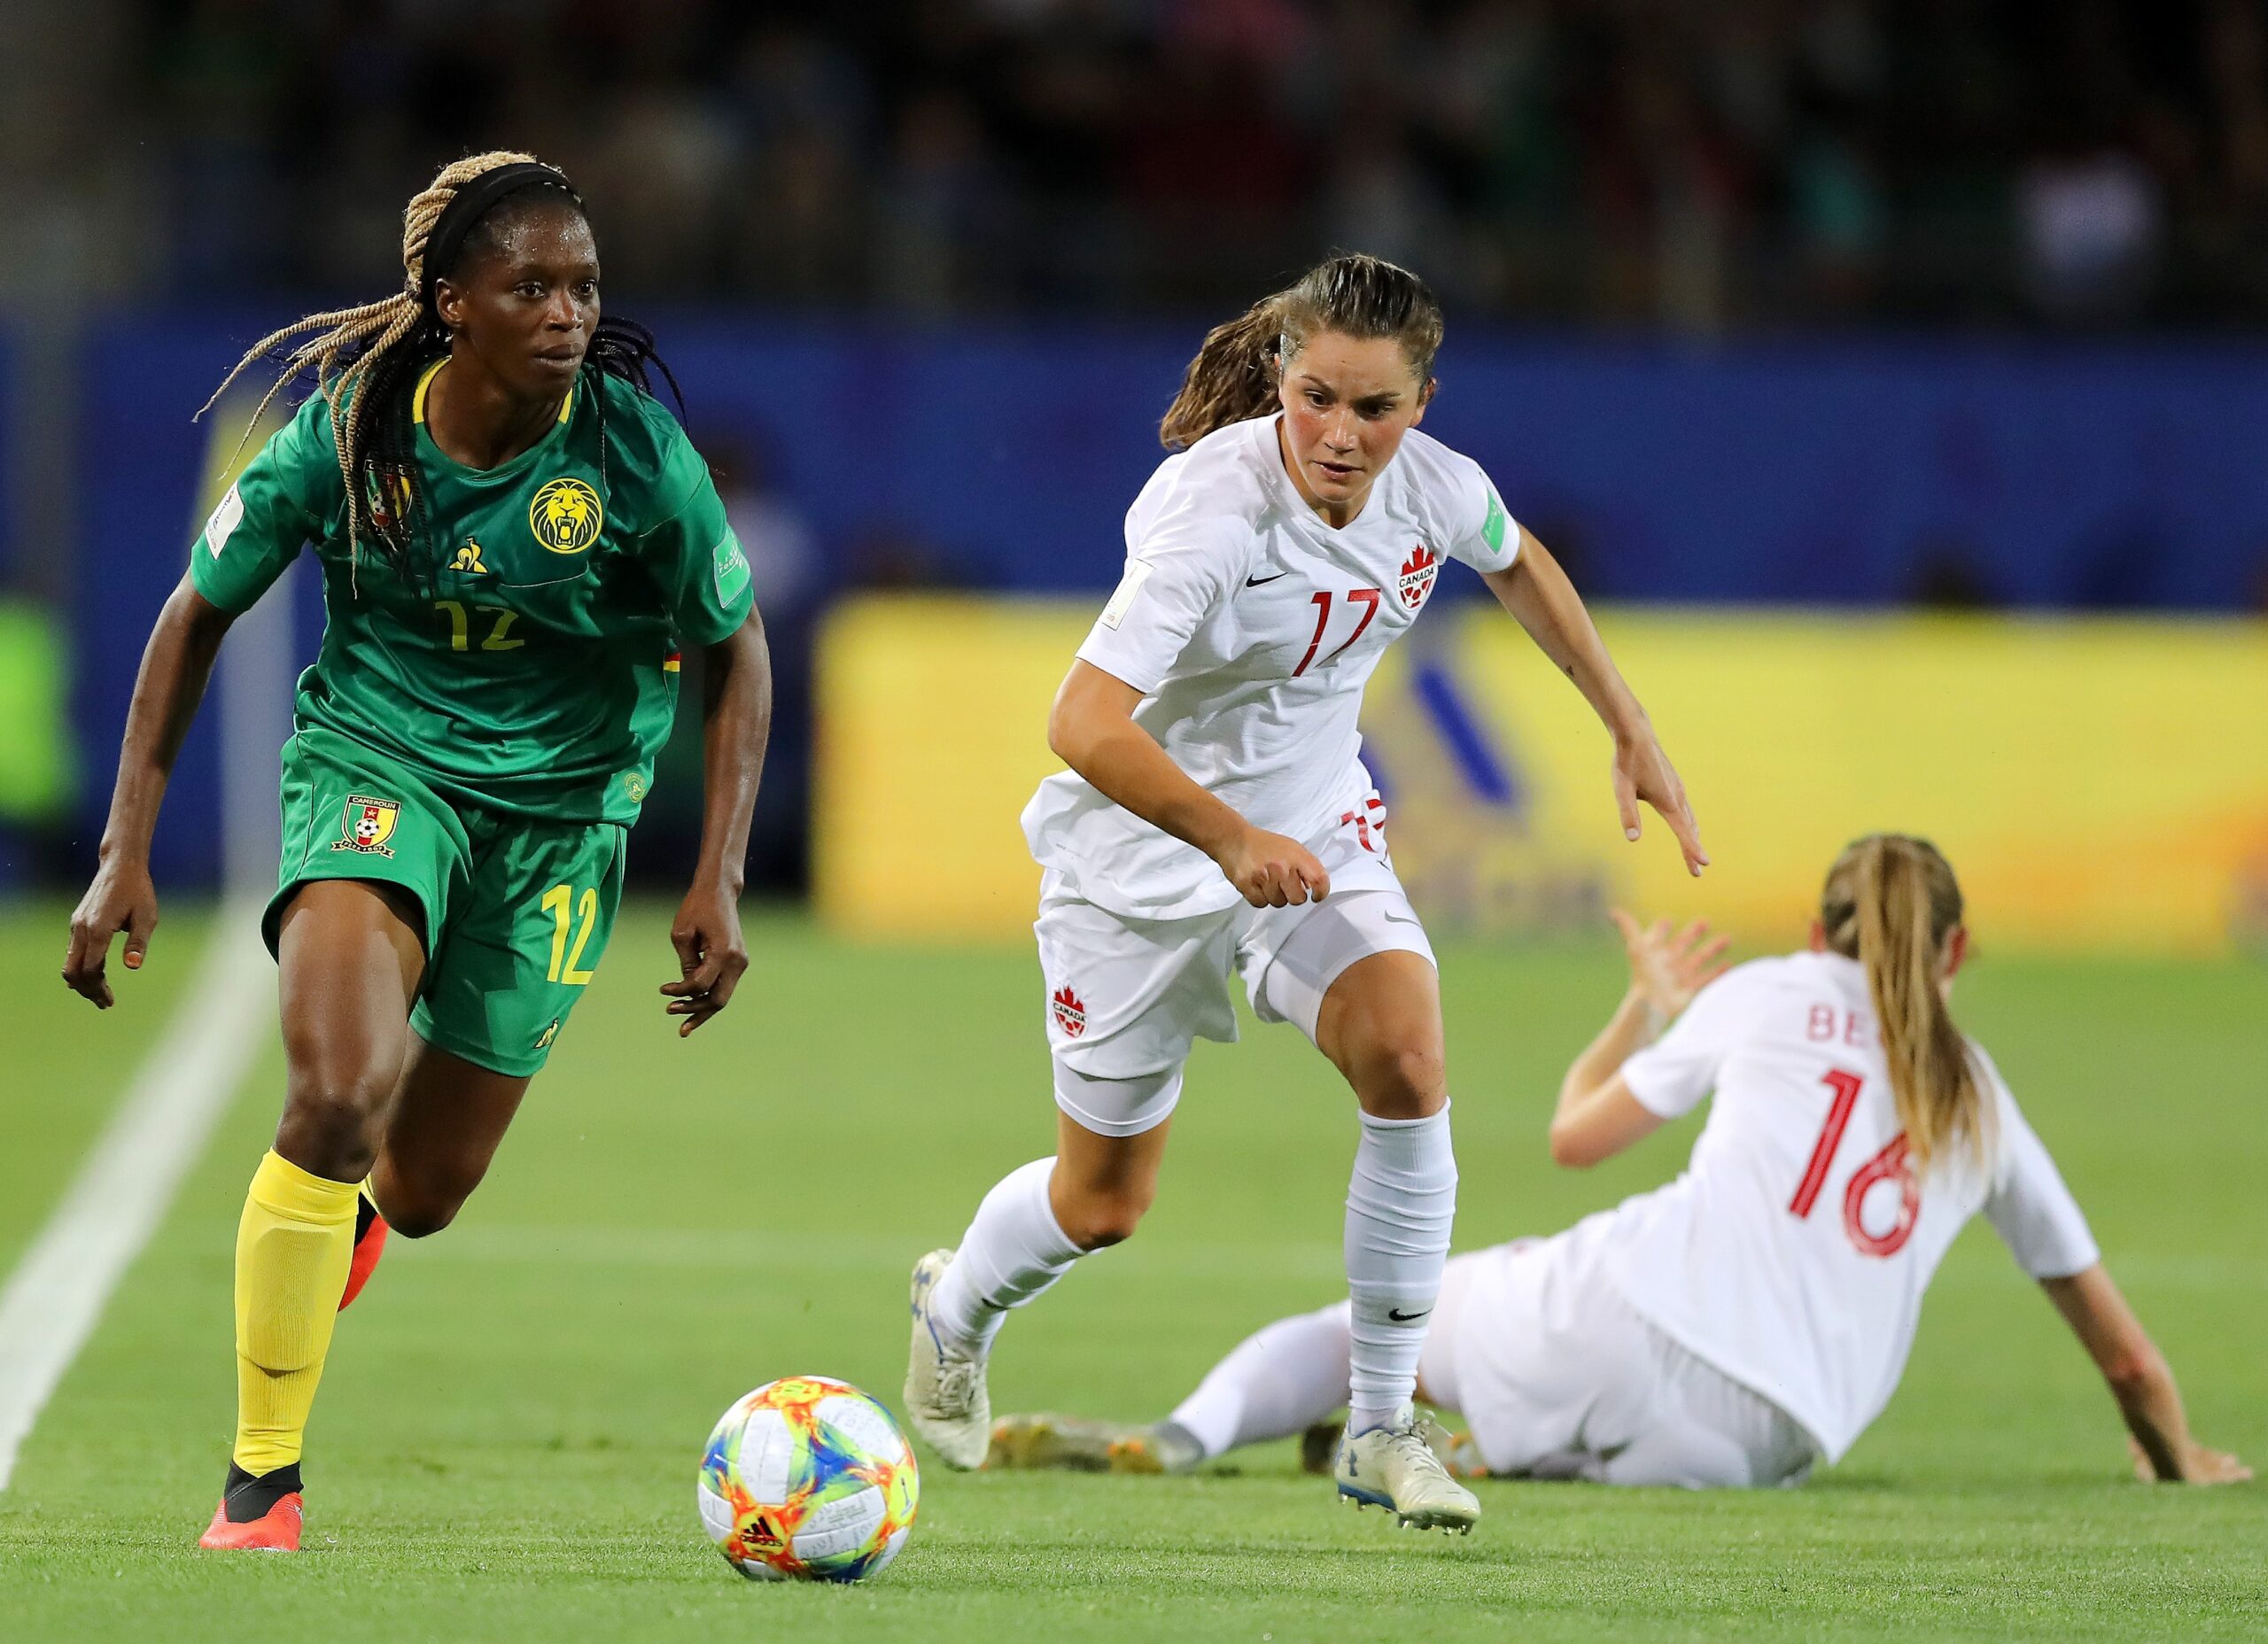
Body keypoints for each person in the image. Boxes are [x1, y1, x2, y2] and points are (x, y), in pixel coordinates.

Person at [901, 253, 1705, 1532]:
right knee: (1102, 1205)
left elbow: (1519, 560)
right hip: (1138, 866)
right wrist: (1224, 838)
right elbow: (1083, 722)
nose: (1341, 434)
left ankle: (1381, 1425)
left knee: (1407, 1054)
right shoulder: (1208, 517)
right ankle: (954, 1308)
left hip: (1317, 833)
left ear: (1422, 404)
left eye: (1375, 409)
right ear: (1280, 373)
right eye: (1318, 397)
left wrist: (1628, 722)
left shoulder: (1436, 491)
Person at [61, 151, 772, 1551]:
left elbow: (737, 649)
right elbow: (192, 615)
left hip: (566, 819)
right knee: (336, 1095)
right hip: (378, 772)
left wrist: (718, 869)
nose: (570, 314)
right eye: (533, 288)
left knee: (429, 1188)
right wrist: (122, 849)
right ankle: (263, 1480)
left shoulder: (635, 454)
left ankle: (355, 1221)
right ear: (453, 305)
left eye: (584, 286)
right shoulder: (342, 440)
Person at [990, 836, 2251, 1491]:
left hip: (1626, 1316)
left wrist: (1640, 1013)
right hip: (1768, 1443)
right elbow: (2126, 1353)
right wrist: (2174, 1453)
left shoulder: (1770, 991)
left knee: (1358, 1330)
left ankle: (1188, 1437)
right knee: (1589, 1422)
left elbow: (1572, 1138)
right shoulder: (1982, 1097)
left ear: (1820, 931)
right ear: (1957, 953)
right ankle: (1514, 1447)